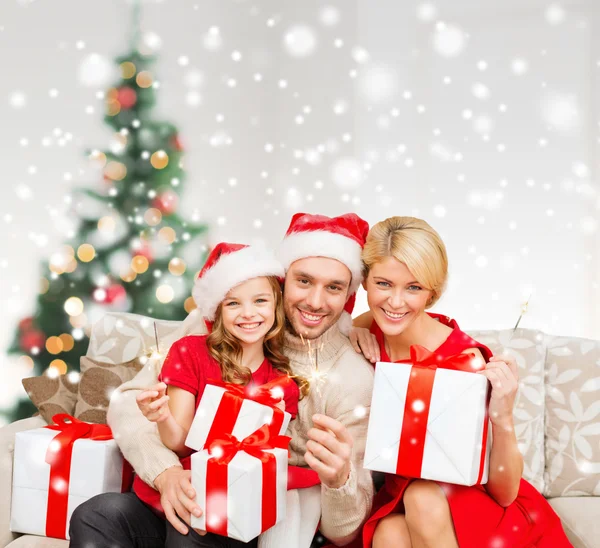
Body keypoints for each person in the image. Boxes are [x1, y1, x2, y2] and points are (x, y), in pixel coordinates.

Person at [69, 213, 376, 548]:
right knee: (98, 514)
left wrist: (338, 479)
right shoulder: (221, 325)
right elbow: (128, 405)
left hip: (248, 519)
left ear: (348, 293)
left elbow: (344, 531)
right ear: (282, 281)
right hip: (180, 492)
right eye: (304, 281)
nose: (316, 302)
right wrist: (165, 473)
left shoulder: (353, 377)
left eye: (334, 287)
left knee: (196, 531)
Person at [349, 216, 571, 548]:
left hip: (476, 505)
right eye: (383, 284)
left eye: (413, 288)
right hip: (402, 500)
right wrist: (347, 332)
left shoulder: (465, 360)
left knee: (422, 495)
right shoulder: (368, 326)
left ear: (432, 292)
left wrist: (503, 416)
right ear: (365, 281)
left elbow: (505, 492)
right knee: (387, 533)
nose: (395, 302)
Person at [135, 242, 304, 546]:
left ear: (276, 306)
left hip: (228, 509)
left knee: (190, 532)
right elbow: (179, 442)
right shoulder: (189, 352)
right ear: (218, 310)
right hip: (172, 492)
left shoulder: (283, 386)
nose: (248, 314)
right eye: (233, 304)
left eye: (260, 301)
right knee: (97, 512)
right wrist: (161, 417)